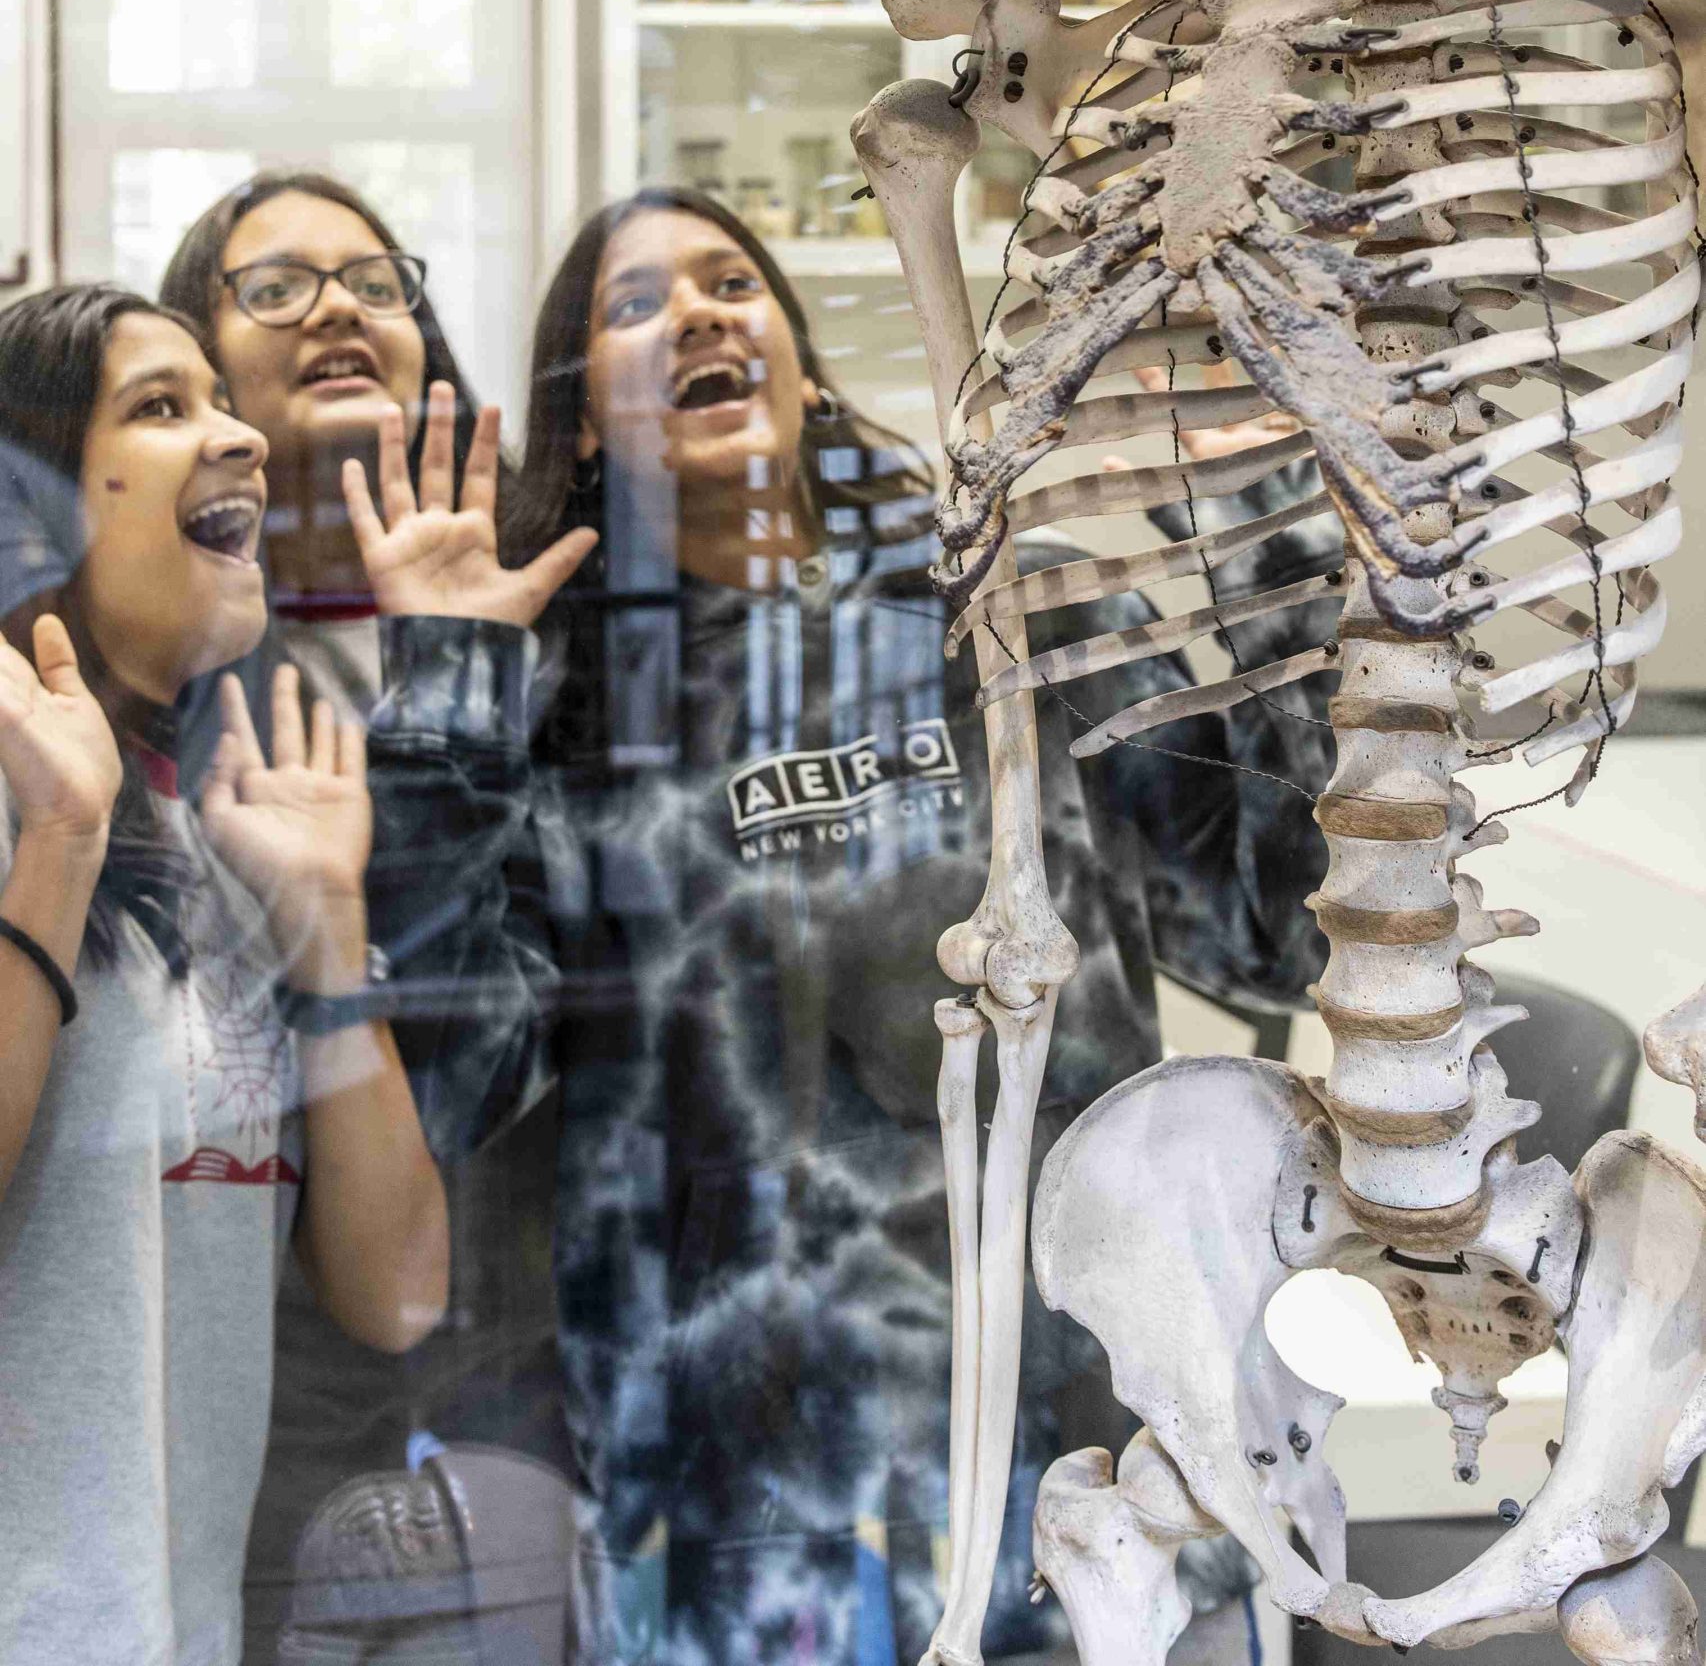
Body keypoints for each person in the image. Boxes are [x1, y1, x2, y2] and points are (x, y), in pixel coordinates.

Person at [402, 184, 1339, 1666]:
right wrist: (440, 697)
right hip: (744, 1523)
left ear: (798, 357)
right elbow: (458, 1080)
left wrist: (1268, 542)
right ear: (580, 426)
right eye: (636, 306)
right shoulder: (565, 703)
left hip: (1121, 1477)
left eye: (730, 284)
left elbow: (1270, 937)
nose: (699, 314)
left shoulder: (1010, 616)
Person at [159, 170, 595, 1661]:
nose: (338, 306)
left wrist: (463, 670)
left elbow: (482, 1066)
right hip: (243, 1397)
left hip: (525, 1387)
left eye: (374, 279)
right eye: (272, 285)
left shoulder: (568, 636)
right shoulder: (143, 677)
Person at [0, 282, 449, 1664]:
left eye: (220, 399)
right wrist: (60, 841)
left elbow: (396, 1299)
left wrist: (325, 934)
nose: (239, 438)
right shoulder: (35, 814)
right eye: (159, 406)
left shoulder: (217, 845)